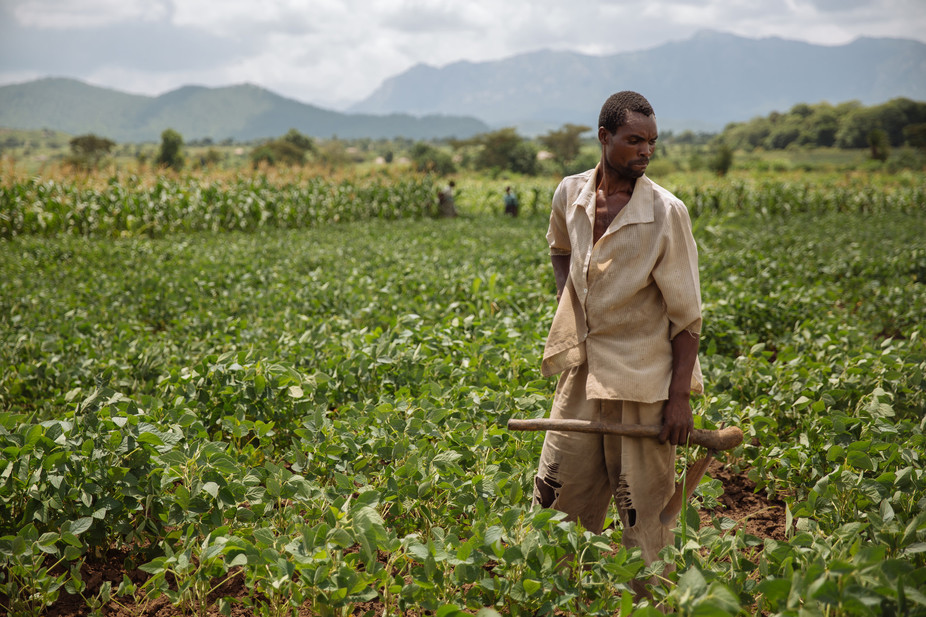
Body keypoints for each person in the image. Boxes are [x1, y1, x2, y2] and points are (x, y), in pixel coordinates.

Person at [533, 91, 703, 581]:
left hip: (643, 382)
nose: (645, 151)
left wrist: (679, 400)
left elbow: (687, 317)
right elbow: (559, 247)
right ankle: (554, 597)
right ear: (604, 137)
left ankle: (651, 601)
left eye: (651, 142)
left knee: (644, 519)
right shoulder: (571, 193)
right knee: (555, 500)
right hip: (582, 376)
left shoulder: (667, 213)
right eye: (633, 140)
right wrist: (571, 303)